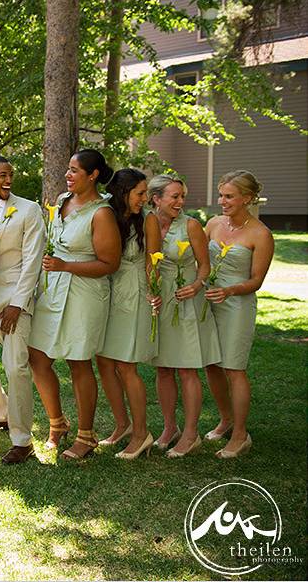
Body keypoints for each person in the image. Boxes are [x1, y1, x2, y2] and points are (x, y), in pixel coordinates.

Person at [28, 149, 121, 460]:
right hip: (53, 288)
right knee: (37, 357)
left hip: (84, 293)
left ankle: (86, 435)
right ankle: (57, 424)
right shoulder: (62, 201)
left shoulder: (101, 213)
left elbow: (110, 263)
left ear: (92, 175)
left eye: (74, 170)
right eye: (67, 169)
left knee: (78, 361)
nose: (67, 175)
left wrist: (65, 266)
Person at [0, 156, 45, 464]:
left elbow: (33, 261)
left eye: (10, 174)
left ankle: (22, 440)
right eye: (2, 174)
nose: (8, 179)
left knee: (16, 368)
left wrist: (18, 303)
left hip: (14, 300)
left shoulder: (28, 209)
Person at [145, 175, 220, 458]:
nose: (180, 202)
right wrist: (152, 291)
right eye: (174, 196)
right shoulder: (149, 223)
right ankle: (169, 428)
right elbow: (148, 262)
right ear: (157, 199)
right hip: (162, 301)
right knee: (163, 367)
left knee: (187, 368)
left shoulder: (191, 225)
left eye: (181, 197)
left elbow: (205, 266)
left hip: (187, 300)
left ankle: (191, 433)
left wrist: (196, 286)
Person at [203, 171, 273, 458]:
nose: (223, 201)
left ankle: (241, 435)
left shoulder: (261, 234)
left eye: (229, 196)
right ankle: (226, 419)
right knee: (211, 365)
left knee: (234, 369)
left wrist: (230, 291)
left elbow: (257, 280)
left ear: (247, 197)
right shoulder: (213, 224)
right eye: (221, 195)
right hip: (209, 302)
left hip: (237, 305)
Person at [94, 168, 155, 459]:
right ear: (122, 192)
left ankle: (143, 434)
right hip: (107, 292)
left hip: (134, 294)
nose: (145, 199)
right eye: (139, 193)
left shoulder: (149, 221)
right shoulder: (108, 216)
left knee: (126, 365)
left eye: (145, 193)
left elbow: (152, 264)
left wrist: (153, 296)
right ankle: (123, 425)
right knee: (104, 362)